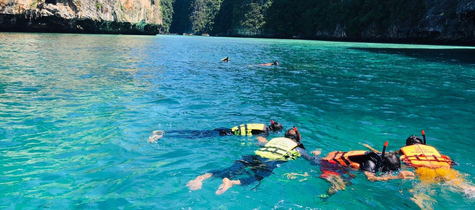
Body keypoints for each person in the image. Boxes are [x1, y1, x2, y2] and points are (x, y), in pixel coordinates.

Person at [186, 127, 319, 195]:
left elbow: (260, 144)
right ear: (298, 140)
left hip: (254, 157)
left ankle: (201, 178)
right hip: (269, 163)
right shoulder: (298, 148)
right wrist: (316, 155)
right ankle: (232, 183)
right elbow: (313, 162)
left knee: (228, 170)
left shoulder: (274, 140)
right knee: (257, 177)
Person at [397, 131, 475, 208]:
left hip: (424, 170)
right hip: (442, 169)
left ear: (407, 145)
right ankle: (470, 188)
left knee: (422, 191)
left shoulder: (405, 151)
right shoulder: (430, 150)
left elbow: (395, 156)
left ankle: (425, 207)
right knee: (456, 182)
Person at [320, 142, 415, 195]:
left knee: (351, 176)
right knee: (341, 186)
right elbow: (371, 178)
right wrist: (396, 177)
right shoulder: (370, 163)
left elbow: (395, 153)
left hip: (335, 155)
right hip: (330, 164)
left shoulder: (383, 156)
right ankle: (324, 197)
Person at [148, 120, 283, 143]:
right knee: (195, 137)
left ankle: (165, 132)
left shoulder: (262, 125)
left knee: (196, 132)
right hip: (226, 134)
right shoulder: (264, 133)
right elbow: (257, 140)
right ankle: (162, 137)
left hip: (225, 129)